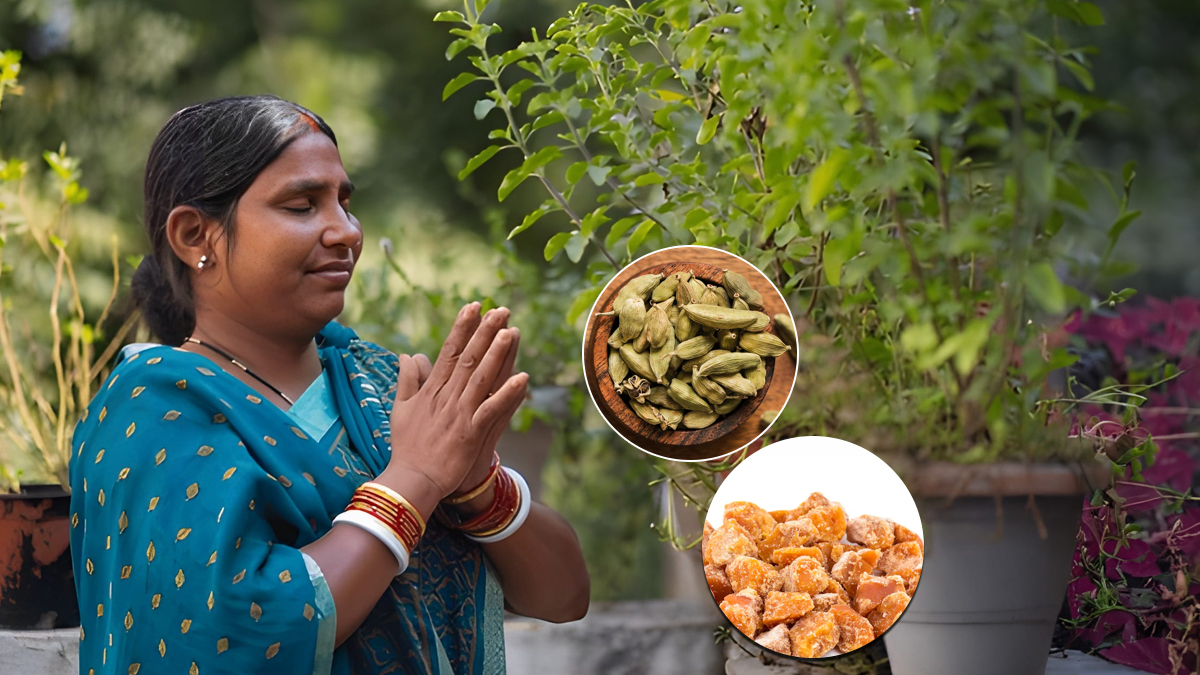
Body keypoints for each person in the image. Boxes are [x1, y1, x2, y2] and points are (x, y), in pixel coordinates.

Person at [68, 95, 590, 675]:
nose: (344, 232)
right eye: (301, 205)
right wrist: (414, 481)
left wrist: (476, 485)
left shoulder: (384, 387)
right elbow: (242, 632)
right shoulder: (152, 411)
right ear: (196, 236)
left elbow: (563, 597)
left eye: (345, 203)